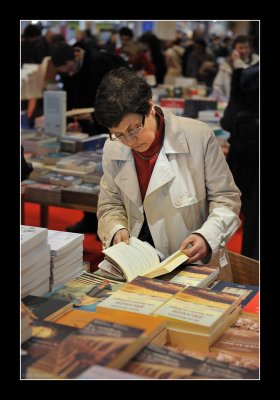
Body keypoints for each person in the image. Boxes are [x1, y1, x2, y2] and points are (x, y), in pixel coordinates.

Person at [94, 68, 241, 281]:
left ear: (151, 107)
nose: (130, 141)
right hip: (138, 266)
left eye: (134, 129)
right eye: (119, 134)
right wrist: (116, 229)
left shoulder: (198, 137)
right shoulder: (113, 148)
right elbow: (110, 205)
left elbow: (226, 199)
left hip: (192, 265)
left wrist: (206, 236)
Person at [50, 42, 128, 234]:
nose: (68, 74)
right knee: (92, 172)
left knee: (114, 172)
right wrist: (71, 117)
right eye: (64, 72)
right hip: (88, 124)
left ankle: (118, 223)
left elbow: (116, 94)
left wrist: (95, 116)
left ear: (76, 56)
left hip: (114, 122)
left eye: (69, 69)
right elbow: (71, 91)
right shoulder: (69, 69)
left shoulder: (99, 61)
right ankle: (90, 218)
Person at [220, 63, 259, 260]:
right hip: (248, 162)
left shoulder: (245, 76)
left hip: (242, 161)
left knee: (252, 219)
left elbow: (227, 121)